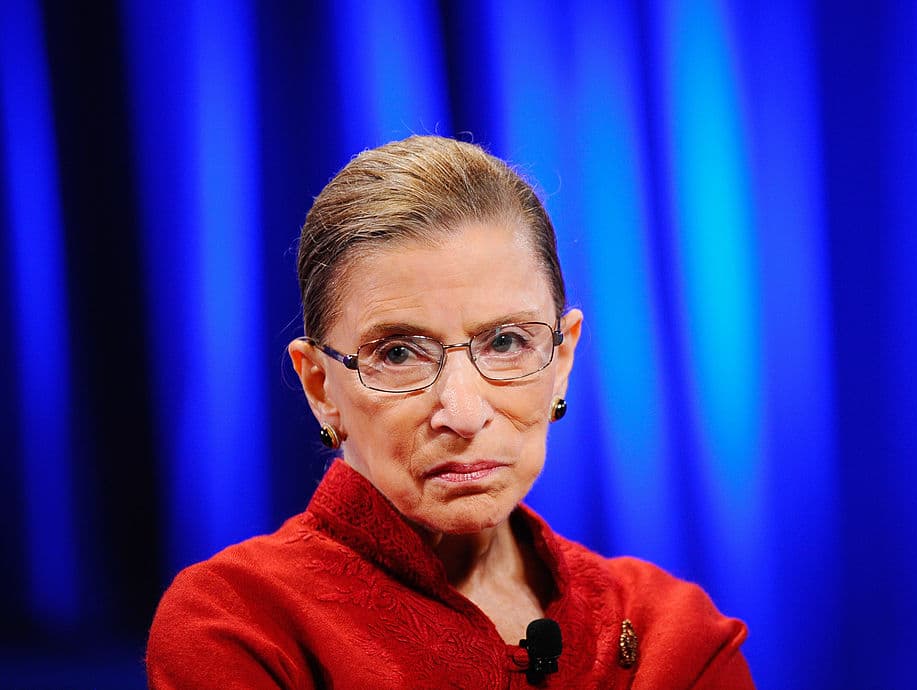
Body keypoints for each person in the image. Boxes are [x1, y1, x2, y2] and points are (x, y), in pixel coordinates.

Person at [146, 135, 754, 689]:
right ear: (320, 385)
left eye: (507, 342)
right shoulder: (240, 625)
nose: (462, 412)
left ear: (562, 357)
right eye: (399, 353)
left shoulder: (669, 631)